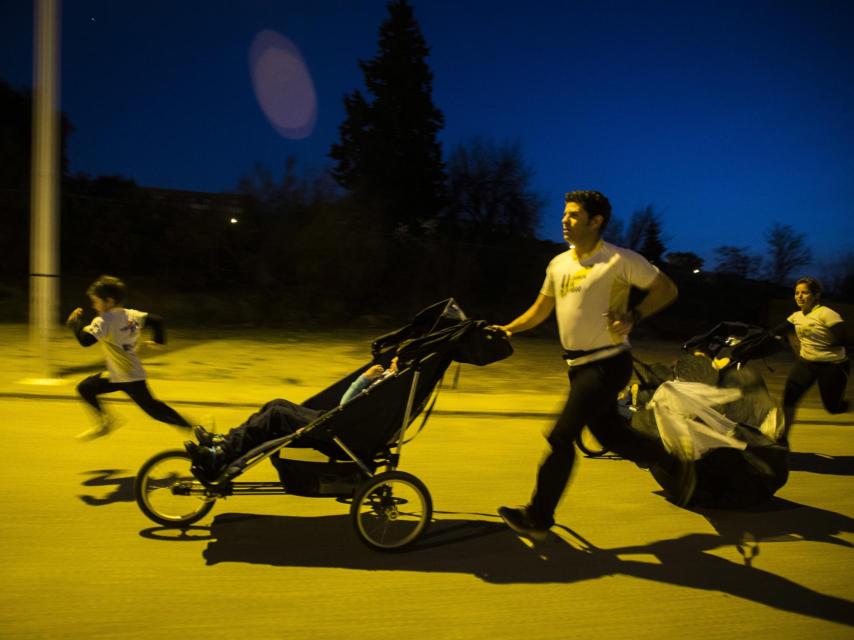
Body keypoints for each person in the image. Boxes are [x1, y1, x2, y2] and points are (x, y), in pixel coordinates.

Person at [495, 189, 685, 540]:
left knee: (561, 435)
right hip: (577, 367)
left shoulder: (620, 260)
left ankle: (538, 517)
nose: (564, 221)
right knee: (609, 434)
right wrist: (508, 329)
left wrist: (635, 315)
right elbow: (540, 310)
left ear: (595, 221)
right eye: (564, 214)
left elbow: (667, 289)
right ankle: (669, 459)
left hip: (609, 363)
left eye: (573, 216)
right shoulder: (558, 264)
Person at [187, 359, 398, 480]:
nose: (391, 361)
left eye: (395, 360)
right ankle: (225, 443)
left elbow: (346, 404)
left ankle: (221, 453)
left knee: (276, 415)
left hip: (339, 432)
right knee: (276, 404)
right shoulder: (391, 383)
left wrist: (364, 379)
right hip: (339, 424)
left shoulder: (388, 385)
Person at [66, 275, 191, 439]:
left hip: (126, 377)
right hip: (126, 373)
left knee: (153, 410)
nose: (93, 305)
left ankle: (193, 428)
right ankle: (191, 427)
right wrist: (158, 341)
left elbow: (85, 341)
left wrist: (76, 323)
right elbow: (157, 321)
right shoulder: (130, 314)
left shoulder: (103, 320)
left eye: (96, 301)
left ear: (109, 301)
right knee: (86, 387)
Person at [776, 277, 849, 441]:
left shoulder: (827, 314)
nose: (799, 296)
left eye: (805, 292)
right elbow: (775, 331)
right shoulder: (796, 316)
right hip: (806, 364)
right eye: (797, 293)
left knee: (833, 408)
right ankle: (783, 436)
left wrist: (820, 343)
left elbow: (844, 339)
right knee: (789, 398)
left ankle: (845, 406)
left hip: (832, 367)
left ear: (816, 295)